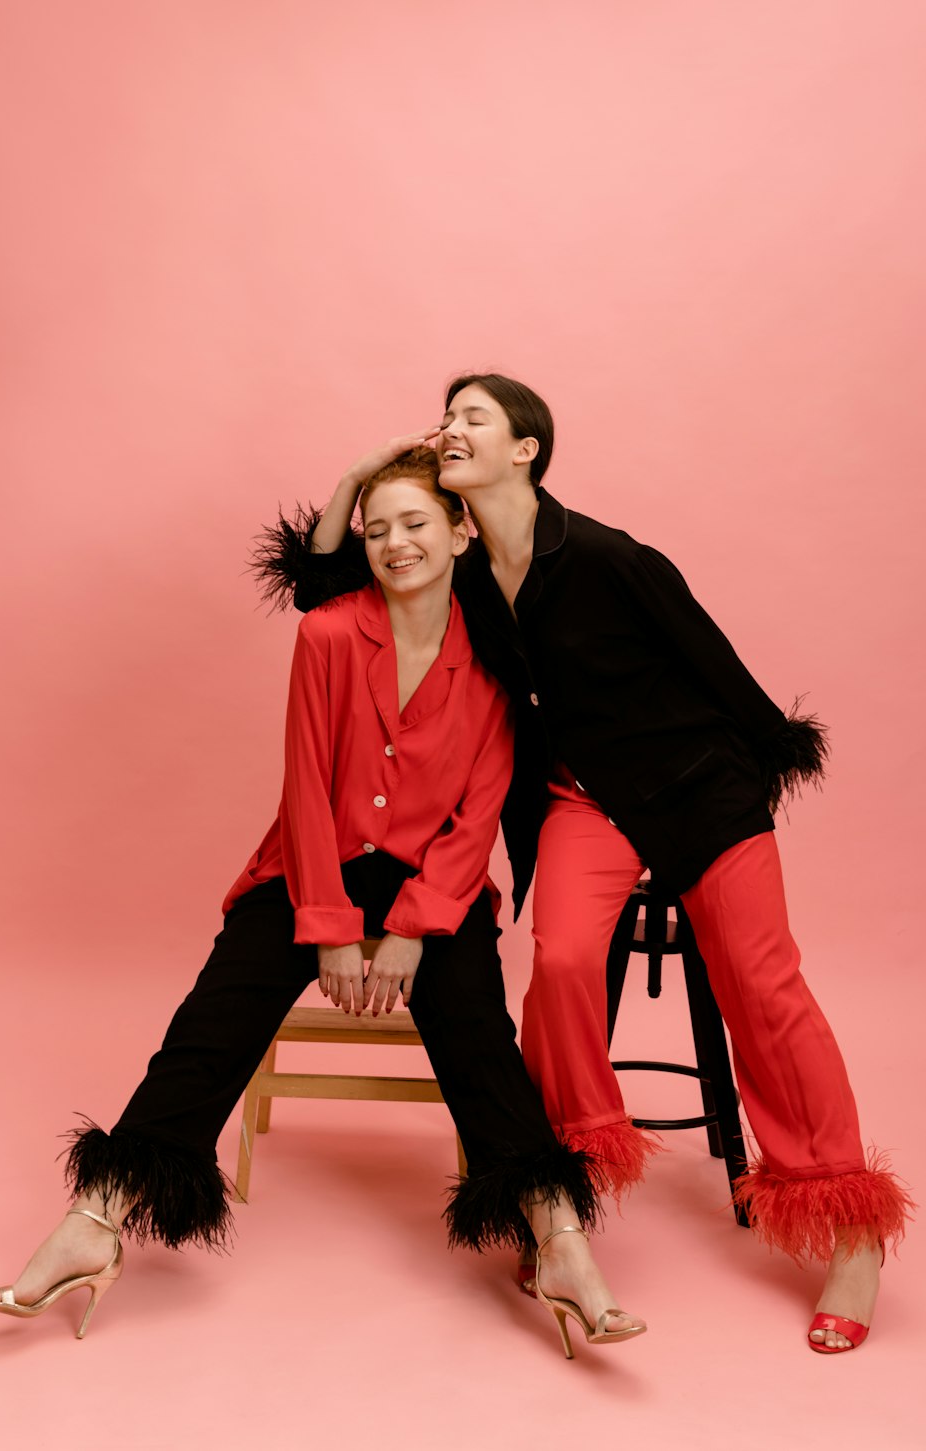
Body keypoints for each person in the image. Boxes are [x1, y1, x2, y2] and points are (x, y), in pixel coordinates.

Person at [0, 451, 645, 1358]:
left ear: (459, 532)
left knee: (479, 1034)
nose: (394, 543)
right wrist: (327, 925)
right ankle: (94, 1222)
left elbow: (478, 809)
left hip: (433, 884)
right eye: (376, 528)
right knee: (211, 1023)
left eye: (415, 523)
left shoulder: (494, 655)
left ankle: (560, 1243)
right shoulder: (329, 632)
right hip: (306, 865)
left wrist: (410, 928)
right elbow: (305, 788)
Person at [292, 374, 913, 1355]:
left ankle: (847, 1231)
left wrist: (752, 782)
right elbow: (325, 592)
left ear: (526, 449)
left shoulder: (614, 558)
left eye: (473, 417)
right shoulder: (452, 568)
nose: (449, 427)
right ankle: (563, 1185)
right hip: (584, 800)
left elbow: (715, 665)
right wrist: (363, 473)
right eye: (444, 415)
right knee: (566, 961)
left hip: (698, 790)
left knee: (762, 984)